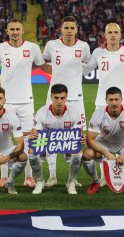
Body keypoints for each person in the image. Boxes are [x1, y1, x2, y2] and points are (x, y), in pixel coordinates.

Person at [83, 22, 124, 187]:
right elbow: (86, 70)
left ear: (120, 34)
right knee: (102, 140)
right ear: (105, 35)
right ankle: (105, 177)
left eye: (116, 32)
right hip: (101, 104)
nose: (113, 35)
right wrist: (73, 62)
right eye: (110, 32)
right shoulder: (98, 52)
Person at [0, 19, 51, 188]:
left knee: (28, 137)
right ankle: (3, 177)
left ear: (23, 30)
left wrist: (63, 73)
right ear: (7, 30)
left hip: (26, 101)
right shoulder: (0, 48)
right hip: (6, 102)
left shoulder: (32, 48)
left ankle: (29, 177)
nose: (15, 32)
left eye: (18, 29)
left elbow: (42, 65)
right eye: (12, 29)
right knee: (2, 137)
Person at [42, 16, 90, 187]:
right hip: (53, 96)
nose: (69, 31)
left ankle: (72, 178)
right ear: (61, 29)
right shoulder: (51, 45)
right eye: (66, 28)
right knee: (50, 136)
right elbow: (43, 62)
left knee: (75, 138)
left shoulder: (84, 46)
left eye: (72, 28)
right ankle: (53, 176)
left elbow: (87, 65)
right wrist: (56, 70)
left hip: (76, 98)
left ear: (76, 30)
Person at [82, 87, 124, 195]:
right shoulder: (98, 114)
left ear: (121, 100)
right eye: (111, 100)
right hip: (104, 143)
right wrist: (106, 153)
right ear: (106, 101)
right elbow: (90, 140)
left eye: (116, 99)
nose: (114, 103)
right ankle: (95, 182)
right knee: (86, 155)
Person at [28, 84, 85, 195]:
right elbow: (35, 132)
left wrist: (80, 138)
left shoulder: (74, 112)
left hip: (66, 140)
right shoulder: (42, 112)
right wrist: (33, 135)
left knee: (78, 149)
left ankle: (71, 182)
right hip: (47, 141)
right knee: (32, 151)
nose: (59, 101)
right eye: (56, 98)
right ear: (51, 97)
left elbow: (79, 133)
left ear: (66, 98)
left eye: (62, 98)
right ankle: (40, 181)